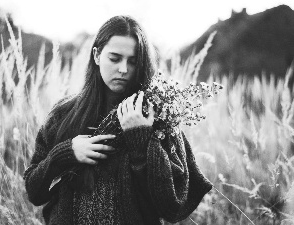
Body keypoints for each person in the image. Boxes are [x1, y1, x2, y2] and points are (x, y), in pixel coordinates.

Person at [23, 15, 212, 225]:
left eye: (132, 61)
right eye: (114, 58)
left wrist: (140, 143)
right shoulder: (64, 114)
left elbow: (171, 208)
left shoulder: (158, 118)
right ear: (96, 55)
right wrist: (66, 153)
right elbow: (34, 192)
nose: (123, 69)